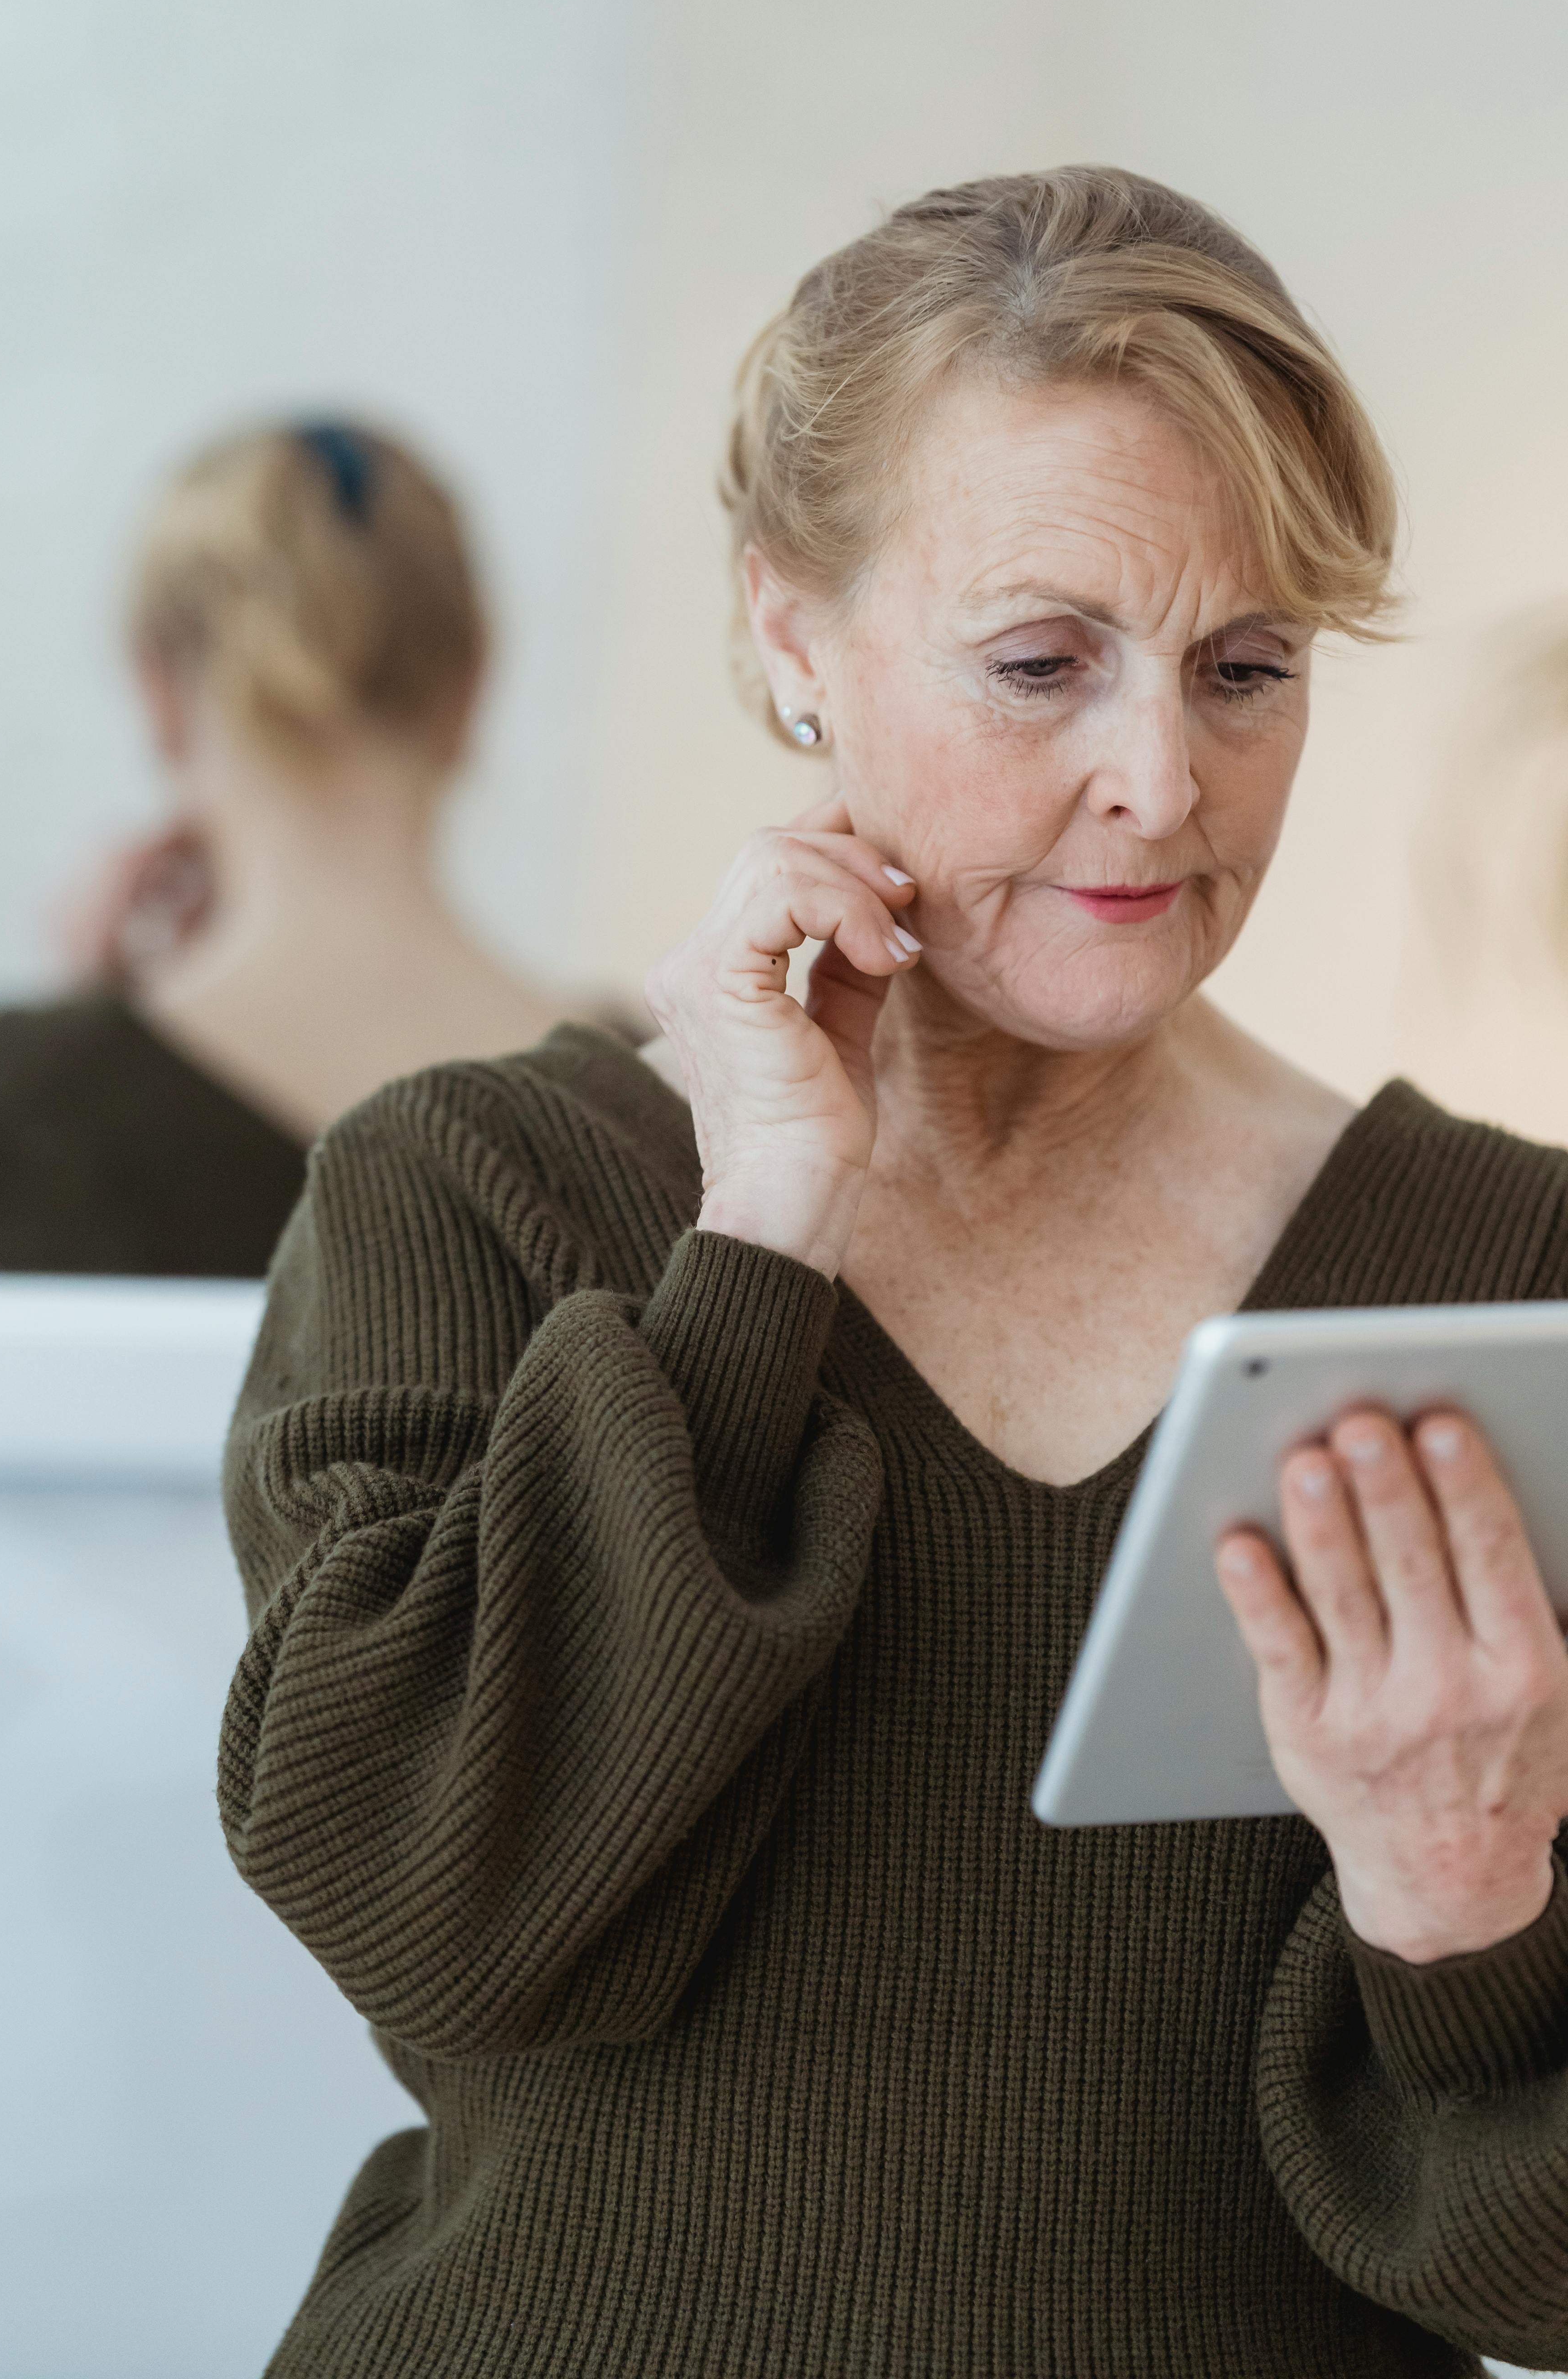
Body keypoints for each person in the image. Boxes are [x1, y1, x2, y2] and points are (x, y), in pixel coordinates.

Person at [218, 172, 1568, 2376]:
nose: (1157, 778)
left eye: (1245, 669)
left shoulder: (1502, 1271)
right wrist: (756, 1225)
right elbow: (440, 1926)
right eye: (1039, 662)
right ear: (787, 633)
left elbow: (1535, 2275)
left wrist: (1454, 1889)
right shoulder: (471, 1191)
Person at [0, 419, 579, 1275]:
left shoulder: (10, 1117)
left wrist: (77, 1047)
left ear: (158, 692)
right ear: (474, 684)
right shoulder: (672, 1096)